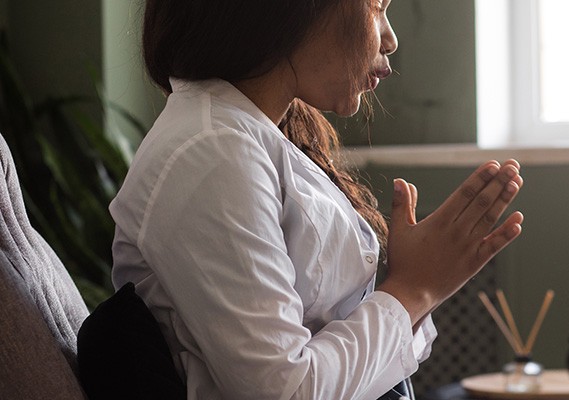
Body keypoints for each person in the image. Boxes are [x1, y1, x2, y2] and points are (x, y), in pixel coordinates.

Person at [109, 0, 524, 399]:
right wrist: (414, 290)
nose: (390, 38)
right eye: (376, 6)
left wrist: (418, 290)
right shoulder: (212, 151)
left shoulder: (252, 137)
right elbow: (286, 391)